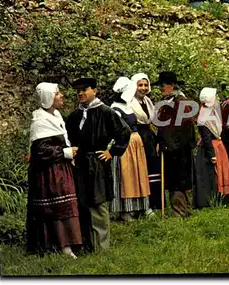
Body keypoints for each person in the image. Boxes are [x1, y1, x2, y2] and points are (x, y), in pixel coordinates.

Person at [66, 77, 131, 252]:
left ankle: (102, 247)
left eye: (84, 89)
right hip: (79, 164)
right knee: (82, 203)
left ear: (94, 91)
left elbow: (124, 132)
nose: (80, 93)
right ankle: (87, 245)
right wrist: (70, 153)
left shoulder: (106, 112)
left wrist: (112, 152)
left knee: (98, 203)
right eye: (78, 90)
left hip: (97, 163)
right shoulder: (74, 116)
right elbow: (67, 138)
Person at [26, 82, 81, 259]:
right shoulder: (41, 120)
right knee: (56, 206)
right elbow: (40, 151)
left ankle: (68, 243)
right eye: (58, 94)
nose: (62, 96)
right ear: (48, 98)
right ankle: (58, 245)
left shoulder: (55, 115)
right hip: (48, 172)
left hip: (60, 168)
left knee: (66, 203)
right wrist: (66, 152)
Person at [152, 71, 197, 218]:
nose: (161, 88)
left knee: (179, 180)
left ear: (172, 86)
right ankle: (182, 210)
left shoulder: (181, 102)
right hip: (171, 148)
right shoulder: (167, 102)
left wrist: (172, 145)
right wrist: (161, 141)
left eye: (163, 85)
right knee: (174, 180)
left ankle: (181, 211)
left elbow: (185, 127)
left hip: (179, 150)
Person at [109, 77, 151, 221]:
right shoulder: (115, 108)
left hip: (135, 143)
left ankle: (140, 206)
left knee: (138, 175)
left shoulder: (127, 106)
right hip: (125, 145)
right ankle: (124, 210)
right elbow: (116, 130)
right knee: (126, 177)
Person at [194, 87, 229, 208]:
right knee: (210, 176)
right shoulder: (204, 116)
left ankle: (221, 200)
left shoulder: (212, 112)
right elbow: (206, 137)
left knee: (219, 174)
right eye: (215, 97)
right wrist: (211, 155)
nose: (217, 99)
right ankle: (208, 202)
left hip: (217, 145)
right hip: (209, 149)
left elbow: (218, 129)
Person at [130, 72, 161, 217]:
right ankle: (141, 205)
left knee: (152, 169)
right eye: (140, 85)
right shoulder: (129, 101)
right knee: (140, 171)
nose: (143, 88)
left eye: (145, 85)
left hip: (149, 136)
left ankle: (154, 203)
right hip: (136, 136)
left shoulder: (148, 102)